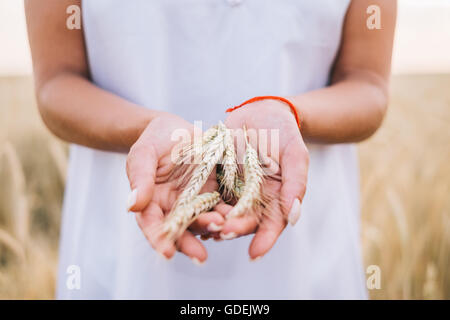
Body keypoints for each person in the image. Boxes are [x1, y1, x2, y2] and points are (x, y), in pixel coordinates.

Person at [25, 0, 396, 299]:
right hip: (122, 251)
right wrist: (144, 130)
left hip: (306, 251)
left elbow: (368, 83)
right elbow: (57, 80)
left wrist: (290, 113)